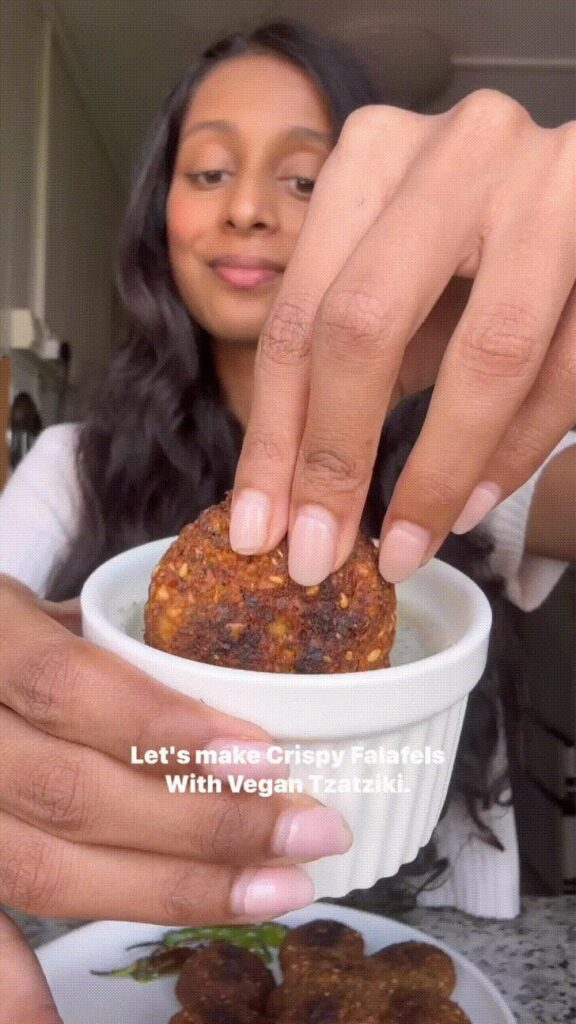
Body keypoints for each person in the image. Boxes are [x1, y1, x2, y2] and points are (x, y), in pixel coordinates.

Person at [0, 19, 573, 1024]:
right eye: (210, 171)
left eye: (306, 179)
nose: (253, 210)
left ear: (387, 217)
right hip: (128, 949)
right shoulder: (68, 466)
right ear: (159, 216)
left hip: (453, 947)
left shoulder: (478, 461)